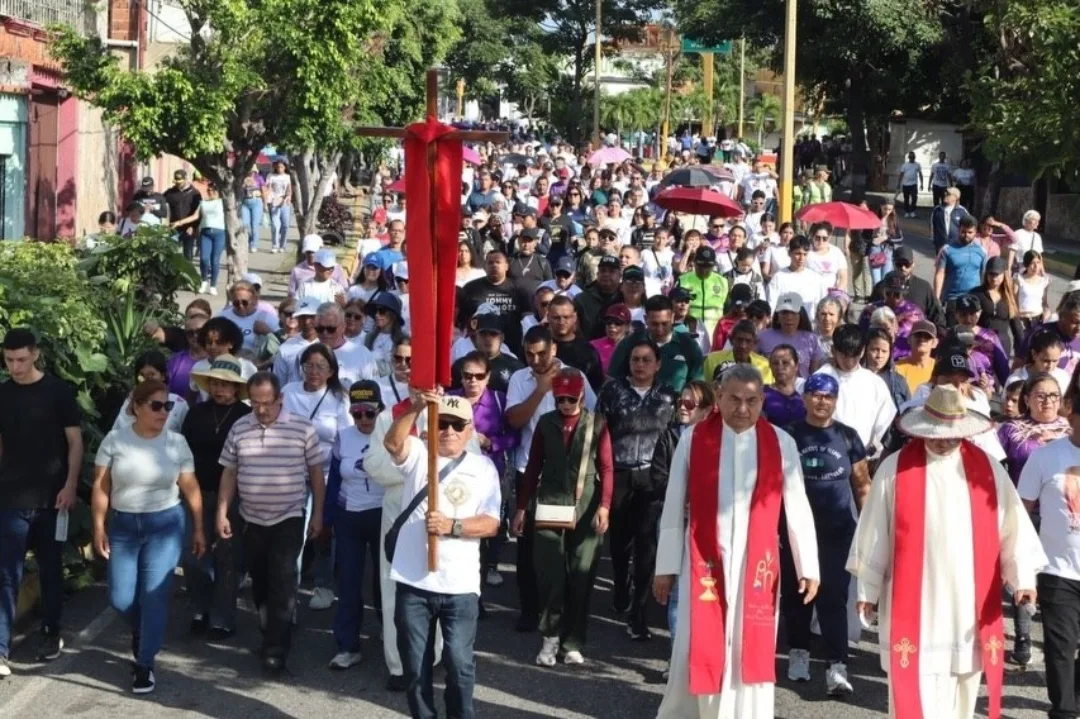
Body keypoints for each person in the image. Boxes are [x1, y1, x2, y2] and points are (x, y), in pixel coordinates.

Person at [849, 384, 1045, 719]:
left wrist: (1023, 578)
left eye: (950, 435)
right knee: (913, 688)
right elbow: (875, 530)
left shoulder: (988, 471)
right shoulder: (895, 468)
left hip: (966, 601)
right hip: (914, 597)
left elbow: (1012, 526)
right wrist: (867, 589)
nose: (942, 441)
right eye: (935, 434)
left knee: (962, 687)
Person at [653, 365, 820, 718]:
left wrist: (808, 566)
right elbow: (673, 503)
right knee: (698, 638)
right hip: (703, 558)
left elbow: (798, 506)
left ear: (762, 401)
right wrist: (665, 567)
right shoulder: (694, 439)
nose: (742, 408)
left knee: (749, 643)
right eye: (734, 399)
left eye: (751, 401)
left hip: (755, 562)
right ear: (719, 396)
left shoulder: (781, 443)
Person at [383, 391, 501, 719]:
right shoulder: (419, 455)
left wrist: (453, 526)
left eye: (457, 425)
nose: (449, 431)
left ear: (469, 430)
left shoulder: (483, 468)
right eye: (442, 423)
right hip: (414, 582)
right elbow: (392, 444)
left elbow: (491, 523)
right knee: (415, 670)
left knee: (460, 666)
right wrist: (418, 406)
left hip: (459, 585)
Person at [92, 379, 205, 693]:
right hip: (124, 526)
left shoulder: (176, 443)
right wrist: (99, 526)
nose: (163, 412)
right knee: (120, 599)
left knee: (154, 596)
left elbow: (191, 487)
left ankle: (144, 664)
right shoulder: (115, 440)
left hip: (165, 525)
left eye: (167, 406)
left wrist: (198, 527)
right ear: (136, 408)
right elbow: (101, 486)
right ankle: (145, 631)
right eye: (156, 406)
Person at [216, 372, 325, 674]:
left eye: (267, 403)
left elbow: (316, 474)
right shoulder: (240, 427)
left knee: (283, 579)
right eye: (255, 403)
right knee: (260, 580)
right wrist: (222, 511)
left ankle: (276, 650)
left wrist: (318, 513)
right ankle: (269, 625)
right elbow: (229, 472)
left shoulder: (302, 428)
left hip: (289, 516)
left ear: (280, 399)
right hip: (251, 519)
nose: (261, 409)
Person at [513, 370, 613, 665]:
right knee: (549, 574)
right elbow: (533, 467)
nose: (566, 404)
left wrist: (605, 506)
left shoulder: (597, 423)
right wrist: (521, 508)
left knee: (581, 575)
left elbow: (607, 468)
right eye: (560, 399)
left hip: (586, 505)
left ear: (582, 395)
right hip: (550, 502)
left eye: (571, 399)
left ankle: (572, 641)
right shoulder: (546, 423)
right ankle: (550, 636)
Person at [0, 329, 83, 675]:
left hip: (52, 499)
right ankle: (1, 647)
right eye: (9, 360)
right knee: (7, 574)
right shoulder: (3, 394)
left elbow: (75, 442)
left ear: (35, 354)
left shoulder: (58, 391)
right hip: (11, 498)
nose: (15, 367)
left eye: (21, 359)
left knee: (50, 571)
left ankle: (51, 633)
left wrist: (70, 484)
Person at [782, 373, 870, 695]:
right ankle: (798, 652)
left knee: (834, 597)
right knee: (797, 595)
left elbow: (862, 485)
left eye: (829, 396)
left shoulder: (847, 436)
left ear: (836, 401)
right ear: (805, 398)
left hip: (837, 531)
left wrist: (868, 526)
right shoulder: (789, 435)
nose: (822, 401)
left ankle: (837, 666)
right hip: (796, 532)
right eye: (816, 395)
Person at [506, 326, 598, 632]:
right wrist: (541, 389)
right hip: (528, 470)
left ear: (554, 349)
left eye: (541, 353)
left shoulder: (575, 375)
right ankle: (529, 610)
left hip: (566, 476)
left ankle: (562, 612)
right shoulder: (519, 379)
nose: (535, 360)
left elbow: (591, 418)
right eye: (529, 354)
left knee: (563, 546)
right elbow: (515, 419)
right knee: (527, 545)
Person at [596, 339, 677, 638]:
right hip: (619, 472)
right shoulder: (612, 391)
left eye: (646, 360)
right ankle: (621, 585)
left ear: (658, 364)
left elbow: (674, 436)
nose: (640, 365)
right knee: (619, 542)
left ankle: (638, 614)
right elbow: (599, 431)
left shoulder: (669, 395)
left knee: (646, 545)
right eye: (635, 360)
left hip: (652, 477)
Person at [1018, 394, 1080, 716]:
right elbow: (1021, 513)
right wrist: (1022, 566)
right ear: (1072, 415)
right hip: (1058, 571)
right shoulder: (1045, 457)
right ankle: (1064, 711)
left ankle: (1074, 695)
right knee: (1060, 648)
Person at [182, 355, 252, 639]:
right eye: (214, 383)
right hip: (196, 492)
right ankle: (199, 609)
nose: (219, 389)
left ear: (236, 387)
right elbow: (184, 452)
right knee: (193, 554)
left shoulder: (245, 416)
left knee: (228, 556)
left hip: (233, 495)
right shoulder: (196, 413)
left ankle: (223, 618)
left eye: (225, 384)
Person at [282, 343, 352, 611]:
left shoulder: (339, 398)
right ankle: (289, 591)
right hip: (292, 473)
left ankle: (324, 585)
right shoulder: (288, 391)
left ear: (331, 370)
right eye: (308, 365)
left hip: (325, 474)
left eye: (320, 366)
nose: (313, 371)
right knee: (294, 533)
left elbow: (345, 438)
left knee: (323, 532)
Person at [323, 380, 385, 670]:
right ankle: (347, 645)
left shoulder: (391, 432)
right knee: (348, 581)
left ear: (380, 410)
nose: (363, 419)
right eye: (357, 413)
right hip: (349, 515)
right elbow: (334, 480)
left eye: (369, 413)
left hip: (384, 513)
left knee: (385, 581)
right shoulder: (344, 436)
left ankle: (392, 635)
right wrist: (326, 519)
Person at [450, 353, 519, 591]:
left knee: (492, 519)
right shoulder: (450, 399)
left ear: (488, 377)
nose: (473, 381)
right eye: (468, 376)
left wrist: (491, 443)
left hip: (491, 471)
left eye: (479, 376)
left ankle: (491, 564)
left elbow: (514, 436)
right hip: (455, 472)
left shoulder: (499, 400)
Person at [817, 325, 898, 460]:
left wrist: (876, 455)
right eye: (844, 355)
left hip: (863, 457)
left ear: (862, 351)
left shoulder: (875, 383)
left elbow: (885, 426)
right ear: (833, 350)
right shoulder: (821, 379)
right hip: (827, 455)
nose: (849, 362)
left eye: (854, 355)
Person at [607, 295, 705, 393]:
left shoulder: (689, 346)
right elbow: (612, 383)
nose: (660, 329)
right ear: (645, 319)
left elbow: (697, 389)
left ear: (672, 318)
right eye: (654, 324)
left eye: (664, 323)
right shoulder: (629, 344)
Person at [858, 272, 926, 360]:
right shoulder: (870, 311)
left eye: (897, 294)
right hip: (875, 358)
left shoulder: (914, 312)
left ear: (903, 294)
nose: (892, 297)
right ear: (883, 291)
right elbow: (860, 336)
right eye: (888, 293)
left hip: (903, 360)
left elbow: (922, 340)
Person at [756, 292, 826, 378]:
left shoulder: (812, 339)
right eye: (784, 312)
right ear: (778, 316)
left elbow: (814, 373)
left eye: (793, 312)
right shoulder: (763, 337)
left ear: (800, 315)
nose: (789, 317)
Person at [451, 314, 524, 393]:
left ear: (502, 337)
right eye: (483, 334)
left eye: (493, 334)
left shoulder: (515, 367)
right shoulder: (460, 366)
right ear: (476, 337)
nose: (488, 338)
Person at [935, 216, 988, 323]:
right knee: (952, 331)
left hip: (974, 299)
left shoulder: (982, 251)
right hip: (952, 299)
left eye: (970, 232)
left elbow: (984, 275)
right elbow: (940, 274)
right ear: (958, 230)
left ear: (975, 232)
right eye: (963, 232)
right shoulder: (947, 249)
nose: (966, 235)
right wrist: (936, 298)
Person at [546, 295, 605, 392]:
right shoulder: (540, 349)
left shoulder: (588, 352)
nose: (561, 322)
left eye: (566, 317)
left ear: (574, 317)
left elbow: (597, 388)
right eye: (556, 317)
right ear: (548, 317)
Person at [766, 235, 828, 316]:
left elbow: (821, 306)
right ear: (789, 253)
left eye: (805, 254)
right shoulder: (779, 277)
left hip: (809, 323)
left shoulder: (815, 278)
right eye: (798, 253)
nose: (801, 258)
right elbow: (771, 304)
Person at [675, 246, 728, 339]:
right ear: (694, 263)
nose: (704, 270)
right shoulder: (683, 280)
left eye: (708, 267)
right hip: (689, 333)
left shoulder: (722, 281)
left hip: (715, 334)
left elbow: (727, 308)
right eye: (700, 266)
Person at [974, 256, 1022, 355]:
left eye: (997, 274)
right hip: (980, 342)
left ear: (1004, 274)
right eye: (991, 274)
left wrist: (1021, 352)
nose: (994, 278)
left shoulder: (1010, 297)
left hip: (1002, 345)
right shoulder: (976, 294)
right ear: (986, 274)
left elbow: (1016, 326)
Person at [219, 280, 281, 355]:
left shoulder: (266, 317)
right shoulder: (223, 317)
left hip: (257, 360)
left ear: (254, 299)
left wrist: (267, 332)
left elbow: (281, 342)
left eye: (244, 302)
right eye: (236, 303)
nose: (241, 306)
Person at [704, 319, 774, 384]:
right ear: (731, 340)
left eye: (748, 341)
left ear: (754, 343)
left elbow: (766, 390)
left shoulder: (763, 364)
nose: (743, 345)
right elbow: (707, 388)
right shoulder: (712, 360)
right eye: (739, 340)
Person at [574, 255, 624, 340]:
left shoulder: (626, 298)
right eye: (603, 271)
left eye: (611, 271)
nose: (606, 274)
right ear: (597, 274)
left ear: (620, 275)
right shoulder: (582, 299)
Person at [289, 234, 350, 298]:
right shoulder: (297, 271)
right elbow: (292, 295)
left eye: (314, 252)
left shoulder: (336, 268)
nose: (311, 255)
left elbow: (345, 292)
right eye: (308, 252)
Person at [164, 169, 202, 261]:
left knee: (188, 255)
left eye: (180, 182)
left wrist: (193, 227)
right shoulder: (169, 193)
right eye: (176, 182)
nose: (178, 184)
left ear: (186, 179)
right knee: (170, 253)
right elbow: (161, 204)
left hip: (188, 229)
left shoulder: (195, 194)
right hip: (173, 227)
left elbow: (198, 213)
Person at [196, 184, 227, 295]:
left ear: (218, 192)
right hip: (205, 232)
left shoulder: (222, 202)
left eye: (213, 190)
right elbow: (195, 216)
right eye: (208, 190)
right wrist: (180, 222)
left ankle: (213, 285)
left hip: (219, 232)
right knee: (204, 258)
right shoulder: (203, 203)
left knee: (215, 260)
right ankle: (204, 280)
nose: (210, 192)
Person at [894, 320, 939, 396]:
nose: (922, 339)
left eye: (927, 336)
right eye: (918, 335)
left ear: (934, 343)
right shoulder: (897, 368)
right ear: (909, 339)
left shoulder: (939, 368)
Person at [806, 222, 849, 291]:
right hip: (810, 293)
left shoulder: (836, 252)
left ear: (829, 237)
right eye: (818, 238)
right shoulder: (806, 252)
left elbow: (843, 277)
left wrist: (838, 292)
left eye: (824, 238)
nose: (821, 241)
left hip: (831, 295)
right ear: (812, 236)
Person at [591, 303, 631, 374]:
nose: (612, 326)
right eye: (608, 322)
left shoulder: (634, 347)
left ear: (627, 326)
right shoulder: (593, 346)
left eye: (618, 322)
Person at [929, 186, 970, 253]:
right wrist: (934, 239)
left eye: (948, 194)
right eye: (945, 193)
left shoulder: (962, 211)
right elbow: (932, 225)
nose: (945, 195)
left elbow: (969, 226)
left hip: (957, 245)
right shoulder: (937, 210)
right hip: (941, 244)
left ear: (956, 197)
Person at [266, 159, 293, 254]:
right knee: (275, 225)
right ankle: (275, 245)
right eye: (278, 167)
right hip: (274, 202)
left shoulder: (287, 176)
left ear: (285, 167)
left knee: (285, 225)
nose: (279, 168)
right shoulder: (271, 176)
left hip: (284, 202)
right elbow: (268, 188)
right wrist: (266, 201)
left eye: (281, 167)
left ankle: (282, 246)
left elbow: (289, 189)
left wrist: (288, 197)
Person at [240, 168, 266, 253]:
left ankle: (254, 244)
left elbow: (264, 191)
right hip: (245, 203)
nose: (251, 172)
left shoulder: (259, 178)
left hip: (256, 202)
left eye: (252, 171)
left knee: (255, 225)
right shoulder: (242, 178)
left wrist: (265, 204)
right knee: (245, 224)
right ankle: (249, 240)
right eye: (249, 170)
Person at [897, 151, 923, 218]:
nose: (912, 158)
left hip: (914, 184)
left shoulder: (917, 165)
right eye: (910, 157)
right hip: (905, 184)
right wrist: (898, 183)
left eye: (913, 157)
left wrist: (922, 184)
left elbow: (920, 174)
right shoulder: (905, 165)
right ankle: (906, 212)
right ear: (908, 157)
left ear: (914, 157)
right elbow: (901, 174)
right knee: (906, 199)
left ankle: (912, 211)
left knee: (914, 197)